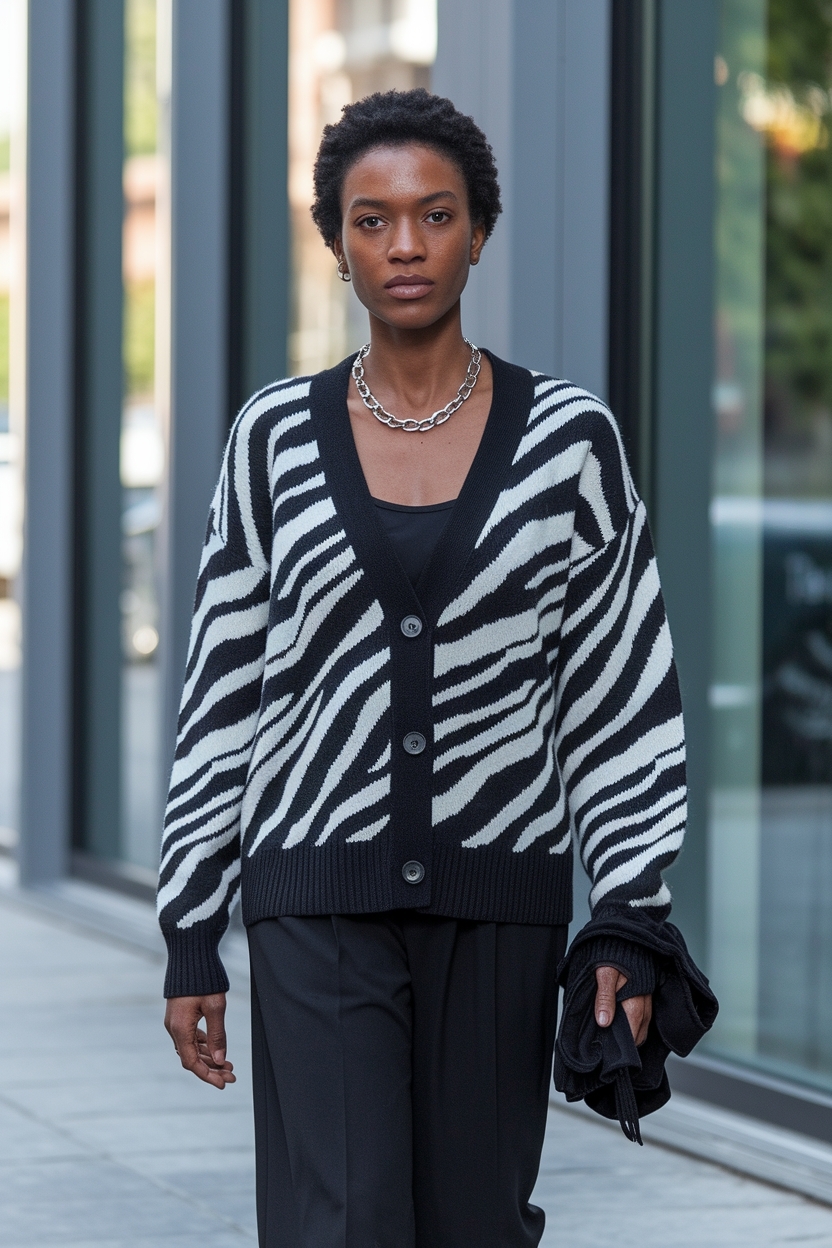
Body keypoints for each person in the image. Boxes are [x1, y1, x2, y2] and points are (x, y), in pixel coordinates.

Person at [158, 88, 686, 1248]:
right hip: (314, 894)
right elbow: (223, 694)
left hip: (501, 898)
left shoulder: (569, 441)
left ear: (480, 231)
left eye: (435, 215)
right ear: (336, 243)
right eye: (372, 219)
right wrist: (192, 927)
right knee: (339, 1222)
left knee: (476, 1224)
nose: (405, 245)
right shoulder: (271, 440)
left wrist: (629, 917)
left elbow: (619, 690)